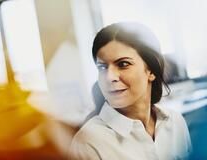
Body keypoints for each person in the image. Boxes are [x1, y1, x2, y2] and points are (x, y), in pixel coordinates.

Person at [68, 22, 192, 160]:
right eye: (102, 68)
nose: (109, 77)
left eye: (123, 64)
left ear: (151, 71)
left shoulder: (175, 122)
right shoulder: (88, 143)